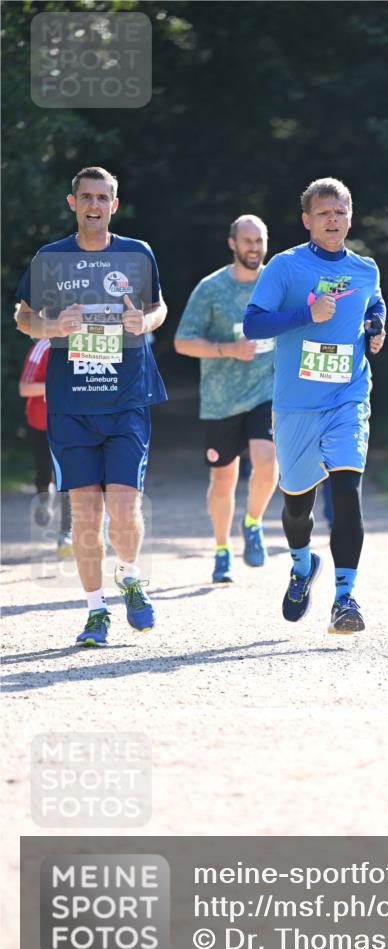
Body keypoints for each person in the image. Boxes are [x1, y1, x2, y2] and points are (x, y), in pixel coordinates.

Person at [15, 165, 168, 647]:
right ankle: (95, 611)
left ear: (114, 205)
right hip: (70, 406)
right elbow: (23, 317)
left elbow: (159, 307)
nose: (95, 205)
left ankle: (129, 575)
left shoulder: (137, 253)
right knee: (85, 515)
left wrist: (145, 322)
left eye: (103, 198)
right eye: (87, 197)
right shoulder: (51, 258)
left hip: (126, 400)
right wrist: (52, 327)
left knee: (122, 508)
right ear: (73, 203)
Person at [243, 177, 386, 634]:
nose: (333, 220)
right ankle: (303, 566)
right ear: (307, 220)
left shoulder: (365, 269)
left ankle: (345, 599)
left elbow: (374, 304)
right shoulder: (284, 267)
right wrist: (307, 314)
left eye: (340, 212)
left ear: (350, 218)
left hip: (348, 397)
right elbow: (252, 325)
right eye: (324, 212)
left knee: (346, 491)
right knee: (297, 507)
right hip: (296, 407)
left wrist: (376, 325)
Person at [174, 215, 278, 582]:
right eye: (247, 241)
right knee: (223, 480)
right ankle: (222, 550)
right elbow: (182, 342)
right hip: (221, 399)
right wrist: (228, 349)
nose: (254, 247)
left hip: (266, 390)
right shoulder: (211, 288)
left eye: (259, 240)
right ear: (232, 243)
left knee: (268, 461)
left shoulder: (277, 282)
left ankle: (253, 522)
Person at [18, 339, 72, 557]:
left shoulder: (85, 344)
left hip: (71, 422)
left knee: (70, 479)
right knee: (44, 471)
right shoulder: (42, 347)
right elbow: (24, 388)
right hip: (41, 422)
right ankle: (44, 497)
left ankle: (66, 534)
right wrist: (53, 386)